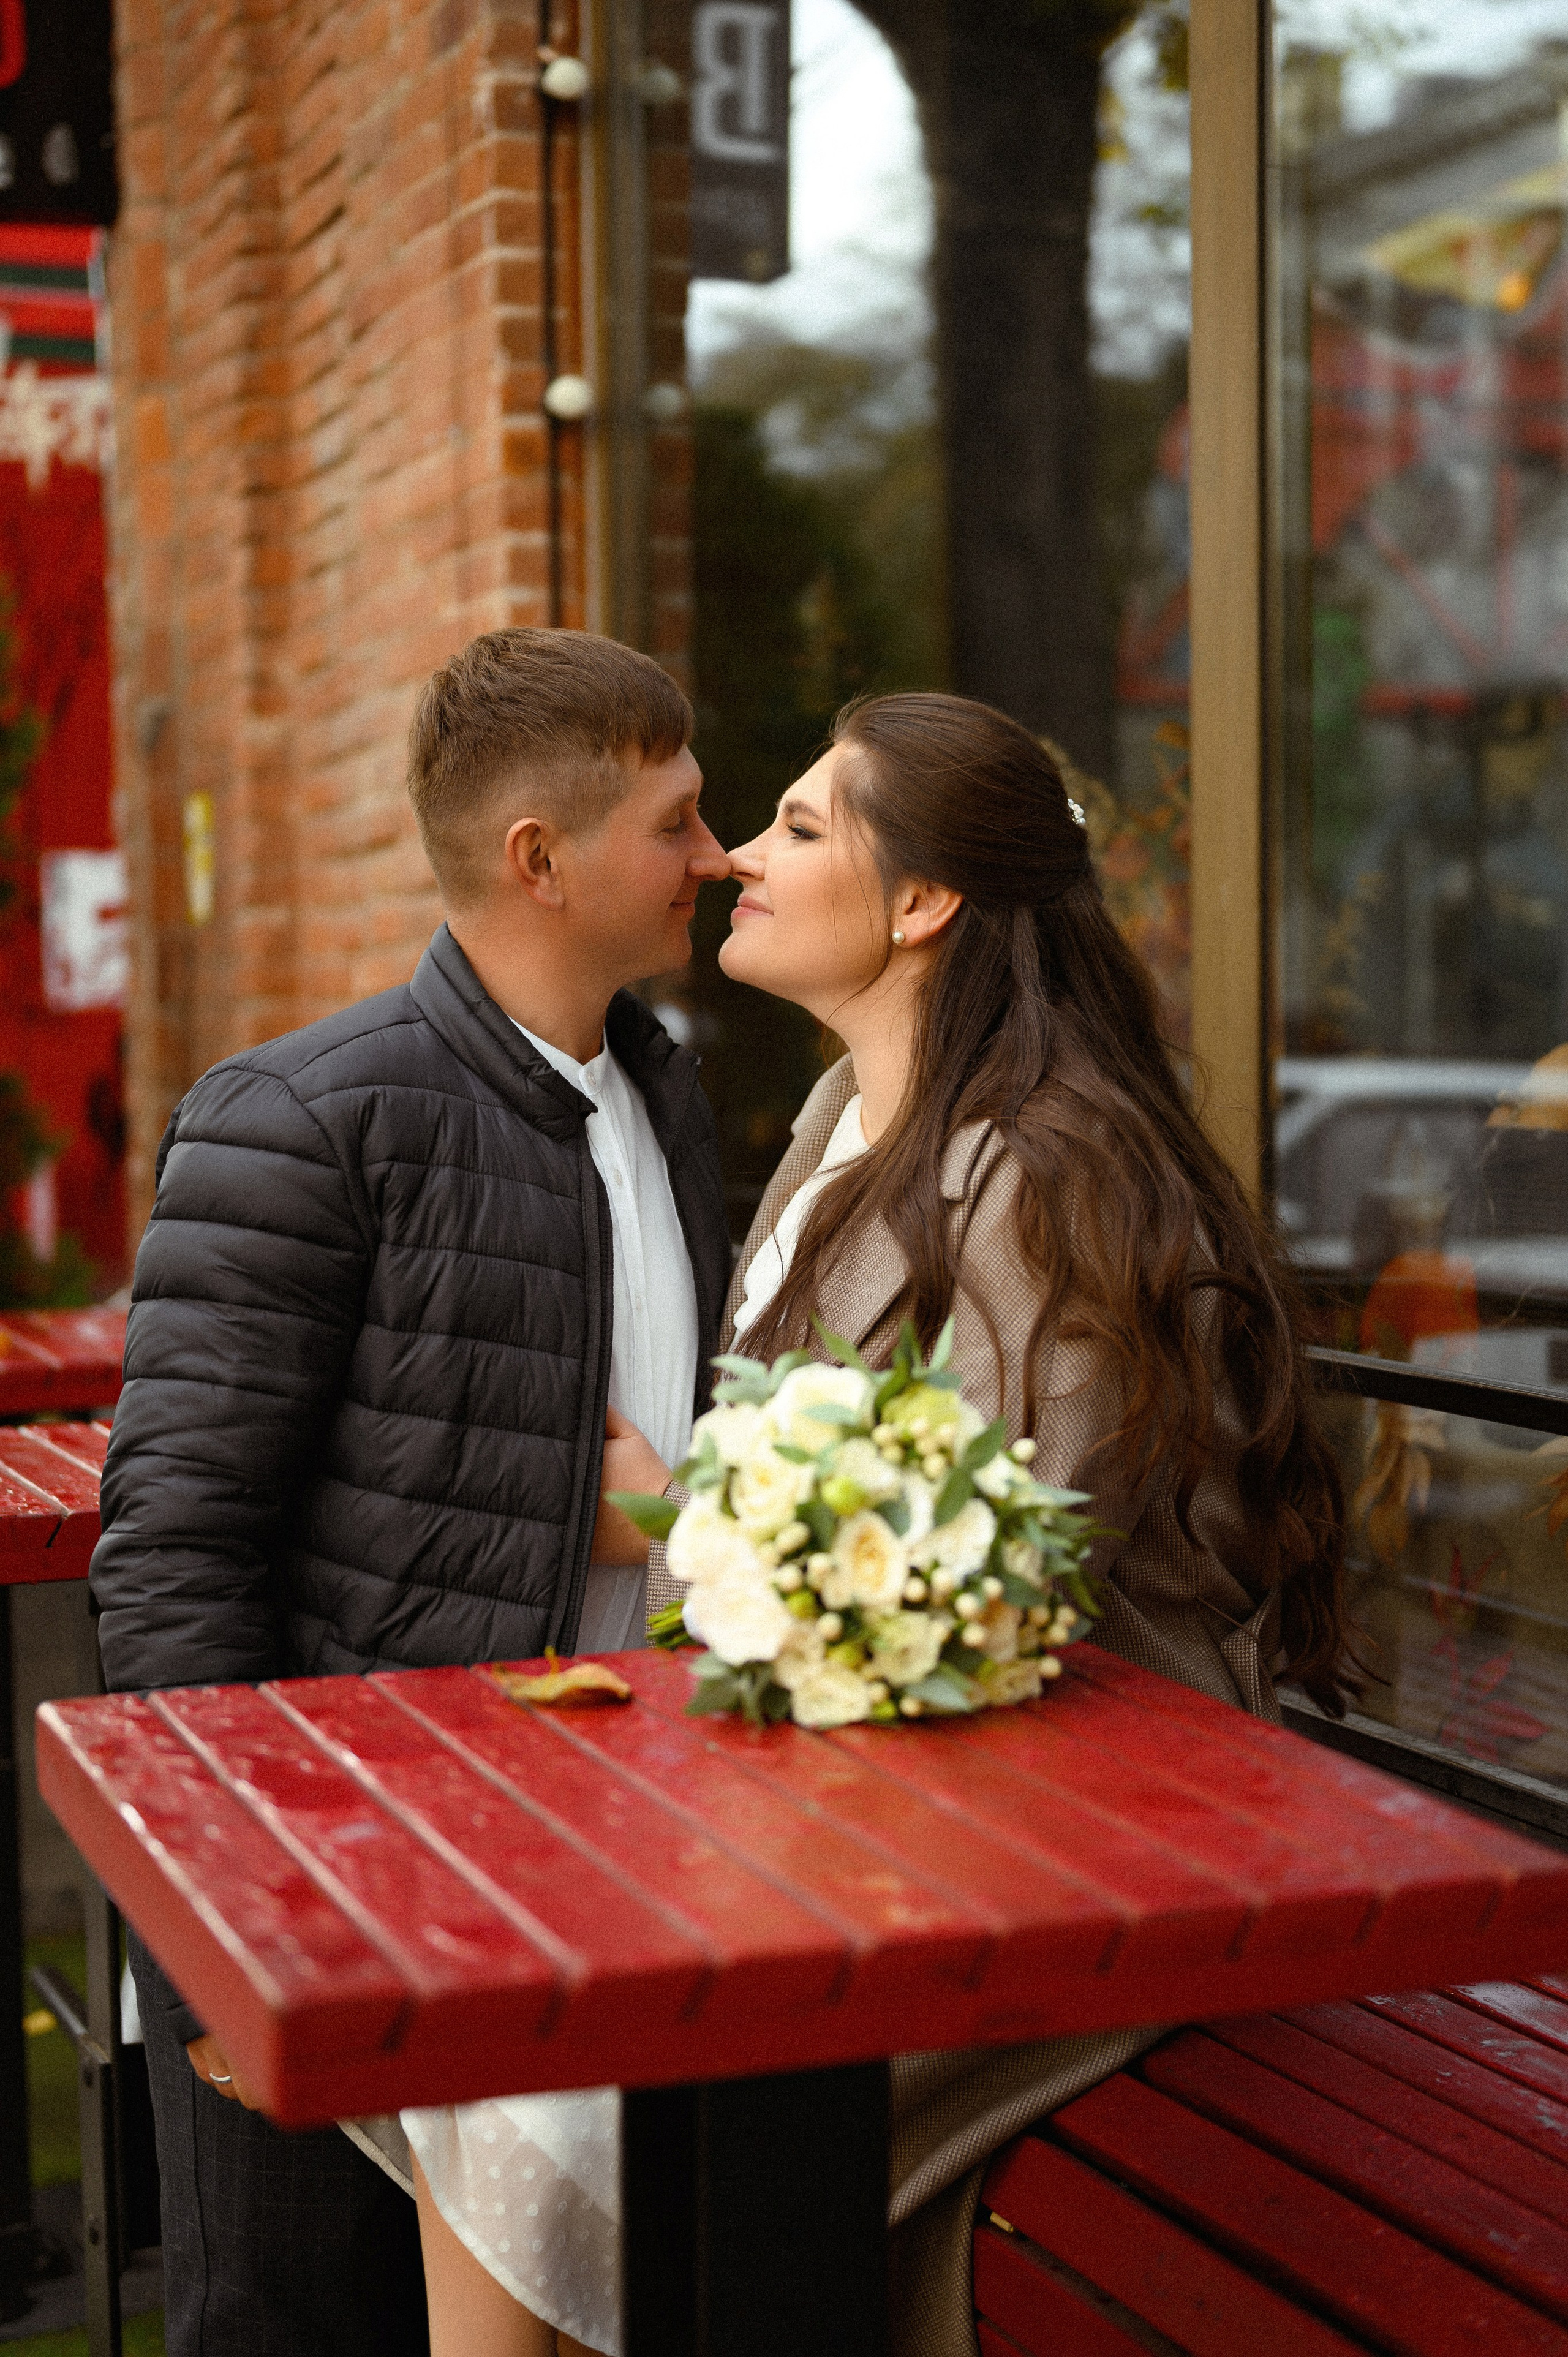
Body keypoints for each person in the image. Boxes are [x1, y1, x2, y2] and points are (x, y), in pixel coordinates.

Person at [420, 688, 1352, 2357]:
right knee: (494, 2014)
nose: (734, 864)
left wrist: (683, 1514)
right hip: (865, 1812)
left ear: (923, 904)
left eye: (792, 829)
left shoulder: (1051, 1177)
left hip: (1078, 1843)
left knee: (555, 2078)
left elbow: (1007, 1575)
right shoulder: (843, 1131)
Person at [88, 628, 733, 2357]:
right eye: (677, 822)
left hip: (623, 1874)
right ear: (541, 858)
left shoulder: (674, 1095)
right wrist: (234, 1940)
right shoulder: (301, 1117)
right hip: (348, 1890)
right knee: (302, 2331)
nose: (718, 854)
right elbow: (174, 1557)